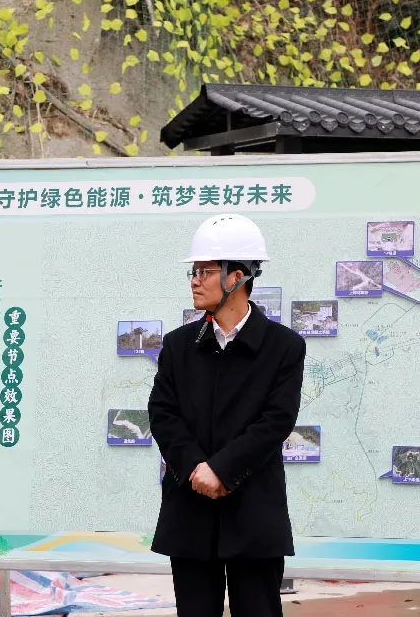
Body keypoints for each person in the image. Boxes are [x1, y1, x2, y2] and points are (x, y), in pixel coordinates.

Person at [148, 213, 307, 617]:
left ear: (237, 276)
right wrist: (195, 468)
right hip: (190, 510)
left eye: (205, 271)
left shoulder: (284, 347)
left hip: (253, 512)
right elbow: (163, 413)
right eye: (193, 272)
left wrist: (221, 470)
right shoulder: (179, 345)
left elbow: (276, 420)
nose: (194, 281)